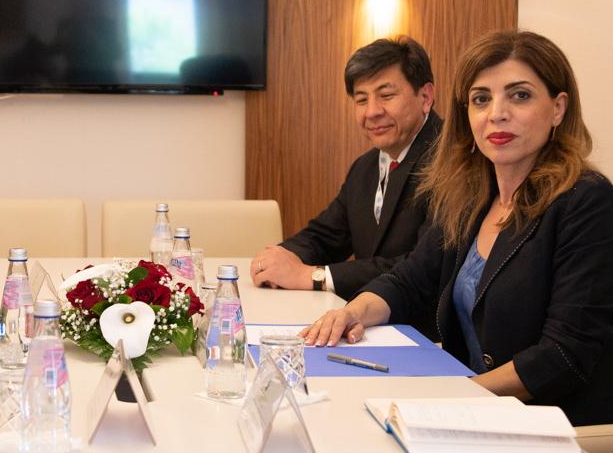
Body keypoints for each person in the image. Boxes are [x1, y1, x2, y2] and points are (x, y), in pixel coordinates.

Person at [301, 30, 613, 426]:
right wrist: (353, 312)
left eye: (519, 95)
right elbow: (410, 279)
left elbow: (563, 355)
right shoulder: (469, 196)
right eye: (481, 99)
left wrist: (454, 396)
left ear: (558, 108)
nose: (496, 113)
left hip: (548, 424)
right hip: (470, 409)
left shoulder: (587, 200)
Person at [250, 37, 442, 306]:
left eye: (386, 96)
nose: (371, 112)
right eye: (361, 100)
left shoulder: (451, 162)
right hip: (368, 319)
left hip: (420, 326)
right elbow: (326, 236)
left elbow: (422, 266)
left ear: (425, 97)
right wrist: (278, 258)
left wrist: (312, 276)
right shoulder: (366, 167)